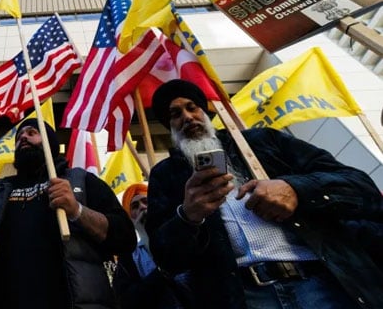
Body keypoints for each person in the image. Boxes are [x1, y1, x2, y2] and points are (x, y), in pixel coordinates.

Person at [145, 79, 383, 308]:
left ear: (205, 112)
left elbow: (360, 186)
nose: (187, 117)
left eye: (191, 107)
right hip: (244, 295)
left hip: (322, 281)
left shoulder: (264, 141)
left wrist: (294, 189)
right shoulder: (165, 175)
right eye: (175, 114)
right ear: (169, 126)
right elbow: (165, 257)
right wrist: (187, 217)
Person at [0, 118, 136, 309]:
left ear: (50, 143)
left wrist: (77, 210)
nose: (23, 137)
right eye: (19, 136)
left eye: (32, 133)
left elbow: (125, 237)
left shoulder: (80, 182)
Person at [113, 183, 188, 309]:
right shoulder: (129, 258)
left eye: (146, 201)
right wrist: (159, 274)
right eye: (135, 207)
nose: (142, 208)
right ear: (131, 219)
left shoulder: (181, 232)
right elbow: (128, 301)